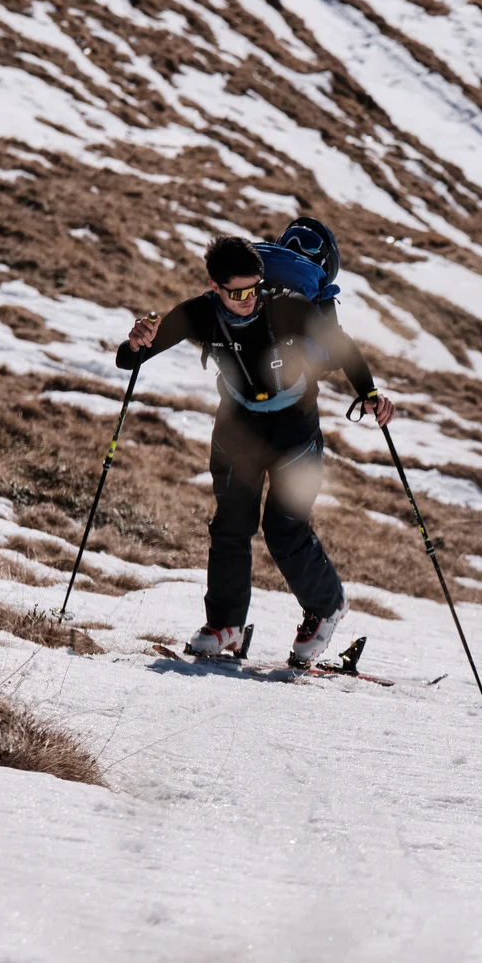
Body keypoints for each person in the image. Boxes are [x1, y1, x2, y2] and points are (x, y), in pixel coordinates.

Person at [118, 236, 395, 663]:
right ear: (215, 286)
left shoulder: (287, 307)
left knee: (285, 530)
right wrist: (136, 342)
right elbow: (130, 360)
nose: (250, 299)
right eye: (239, 292)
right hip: (238, 429)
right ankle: (225, 624)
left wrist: (371, 393)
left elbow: (343, 348)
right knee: (231, 524)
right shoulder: (198, 315)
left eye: (255, 287)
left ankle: (327, 607)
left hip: (295, 430)